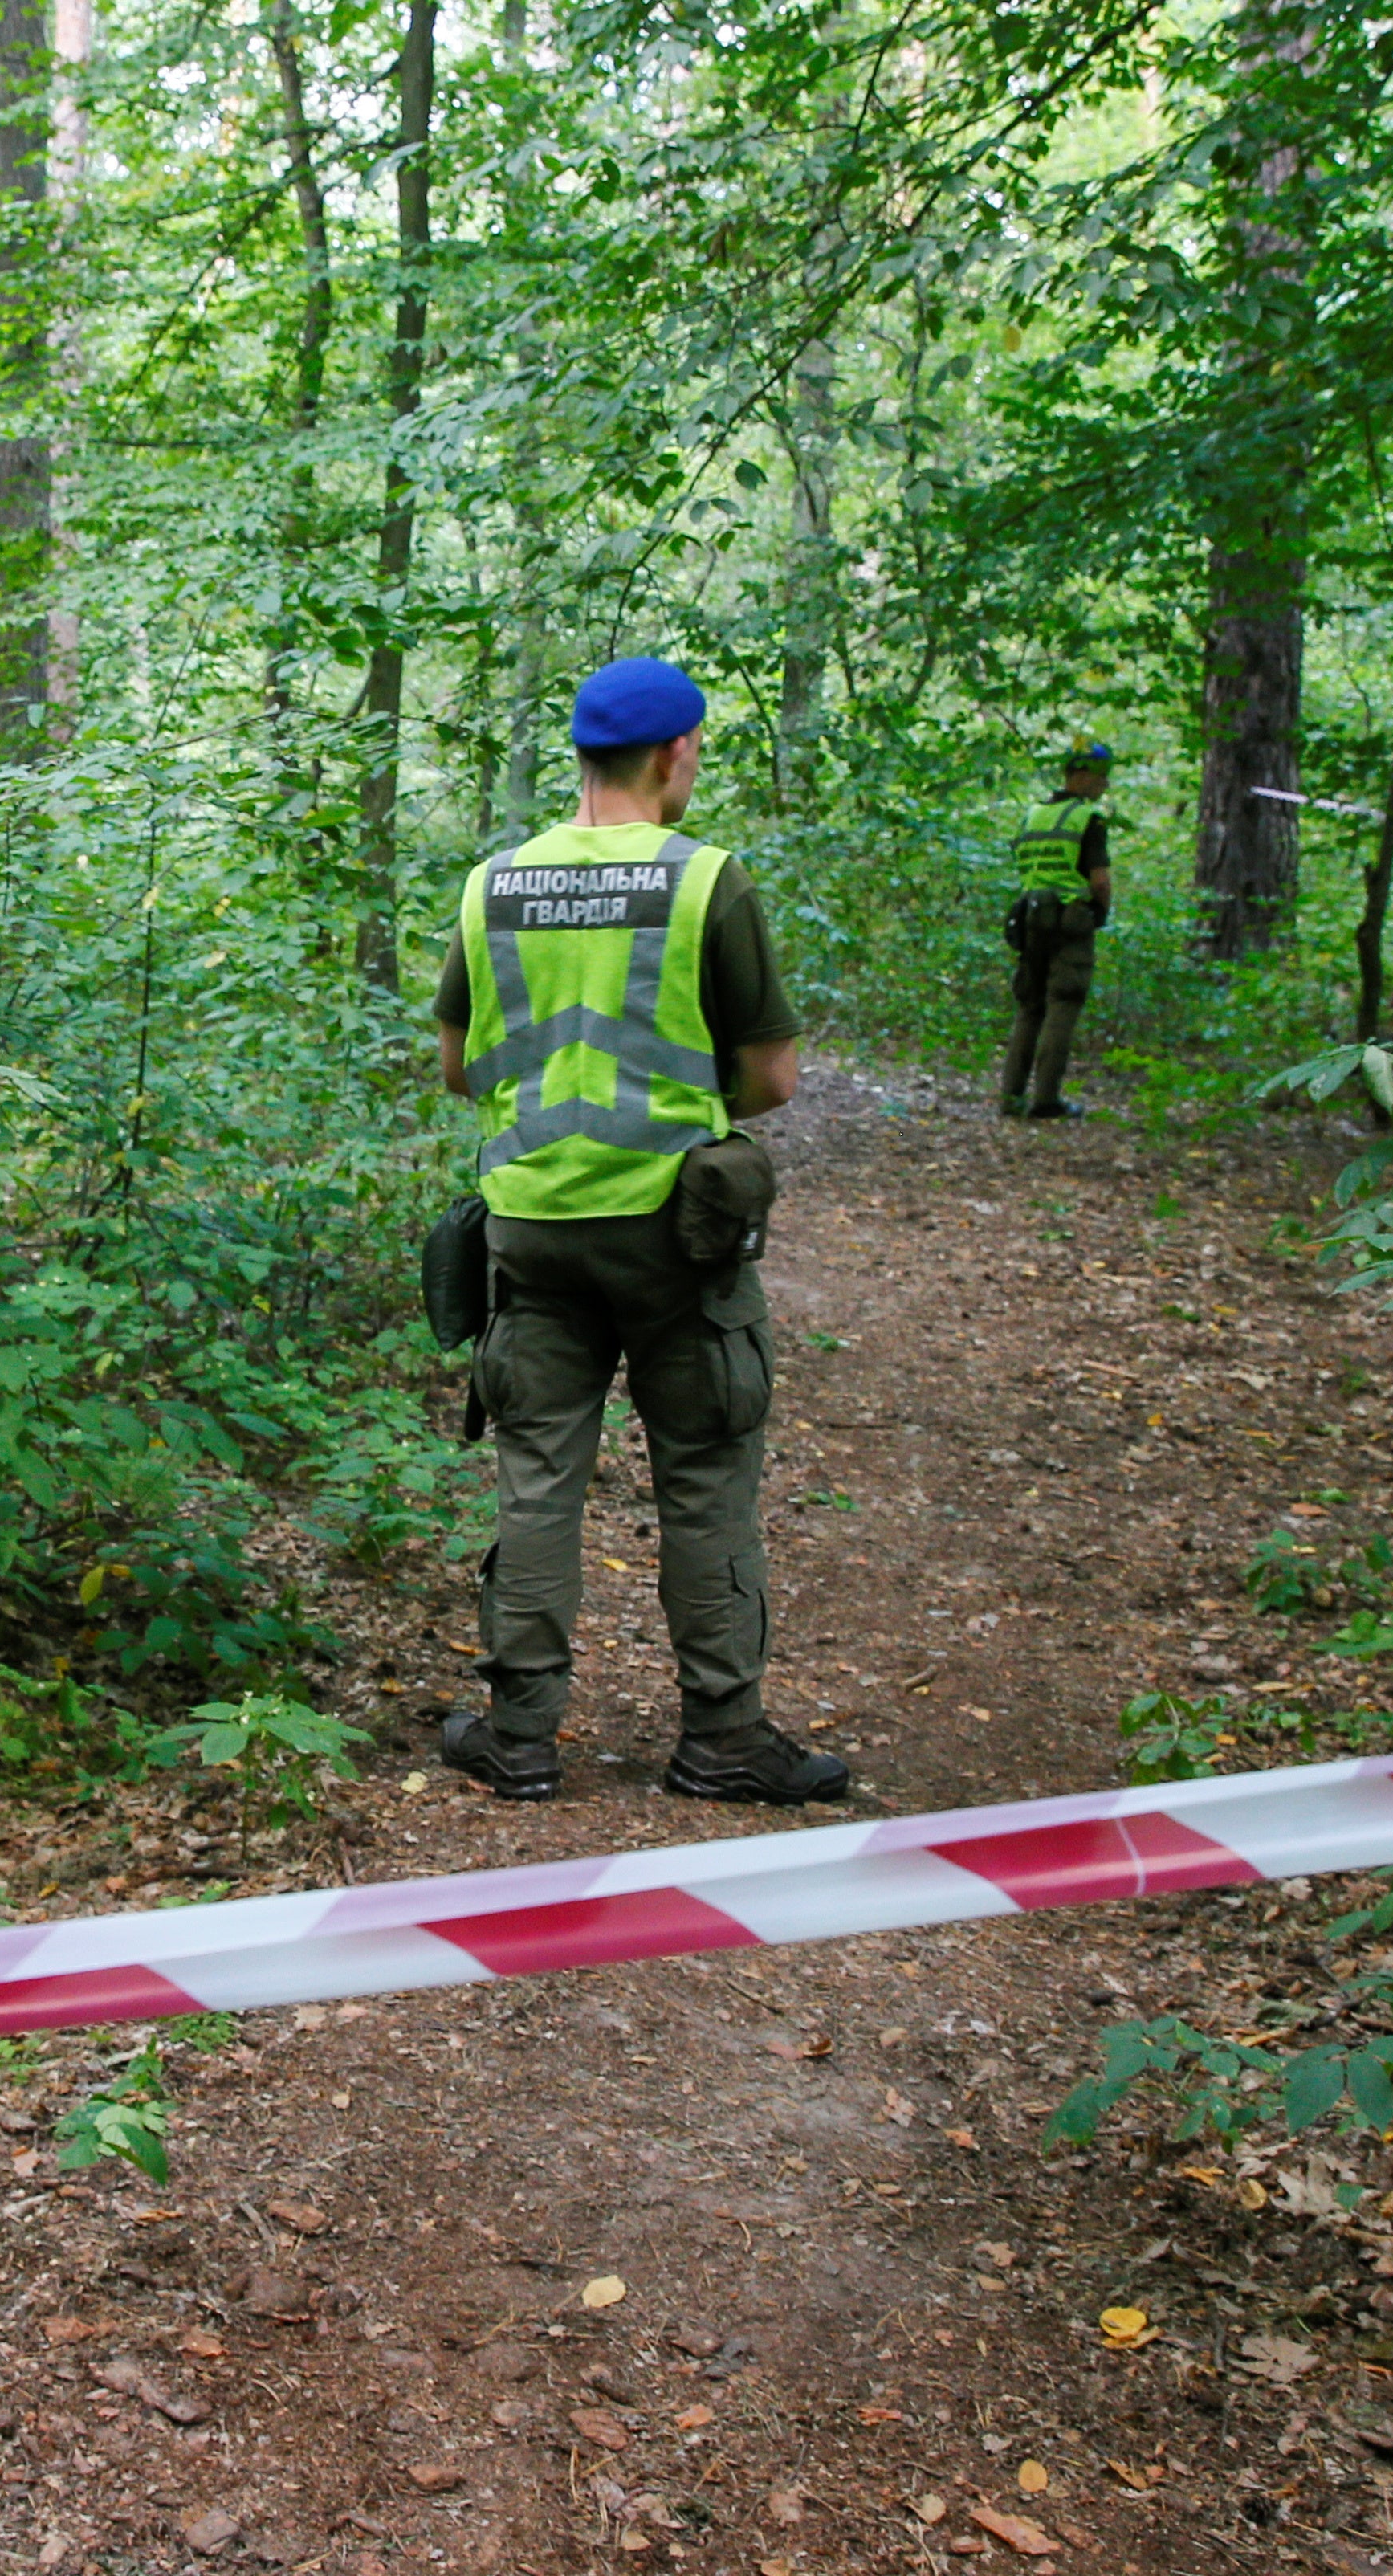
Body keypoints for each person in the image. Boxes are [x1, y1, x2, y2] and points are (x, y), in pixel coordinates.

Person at [426, 656, 849, 1808]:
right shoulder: (706, 881)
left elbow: (464, 1067)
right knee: (706, 1471)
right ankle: (722, 1736)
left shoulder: (492, 884)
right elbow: (770, 1076)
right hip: (676, 1232)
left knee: (537, 1476)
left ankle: (517, 1736)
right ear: (676, 754)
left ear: (580, 756)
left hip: (530, 1228)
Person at [997, 740, 1115, 1119]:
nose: (1104, 786)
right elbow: (1100, 880)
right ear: (1079, 774)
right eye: (1100, 777)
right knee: (1063, 1003)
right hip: (1070, 919)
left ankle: (1011, 1097)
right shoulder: (1087, 819)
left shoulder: (1033, 815)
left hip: (1031, 915)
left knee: (1029, 1007)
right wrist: (1101, 911)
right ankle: (1047, 1099)